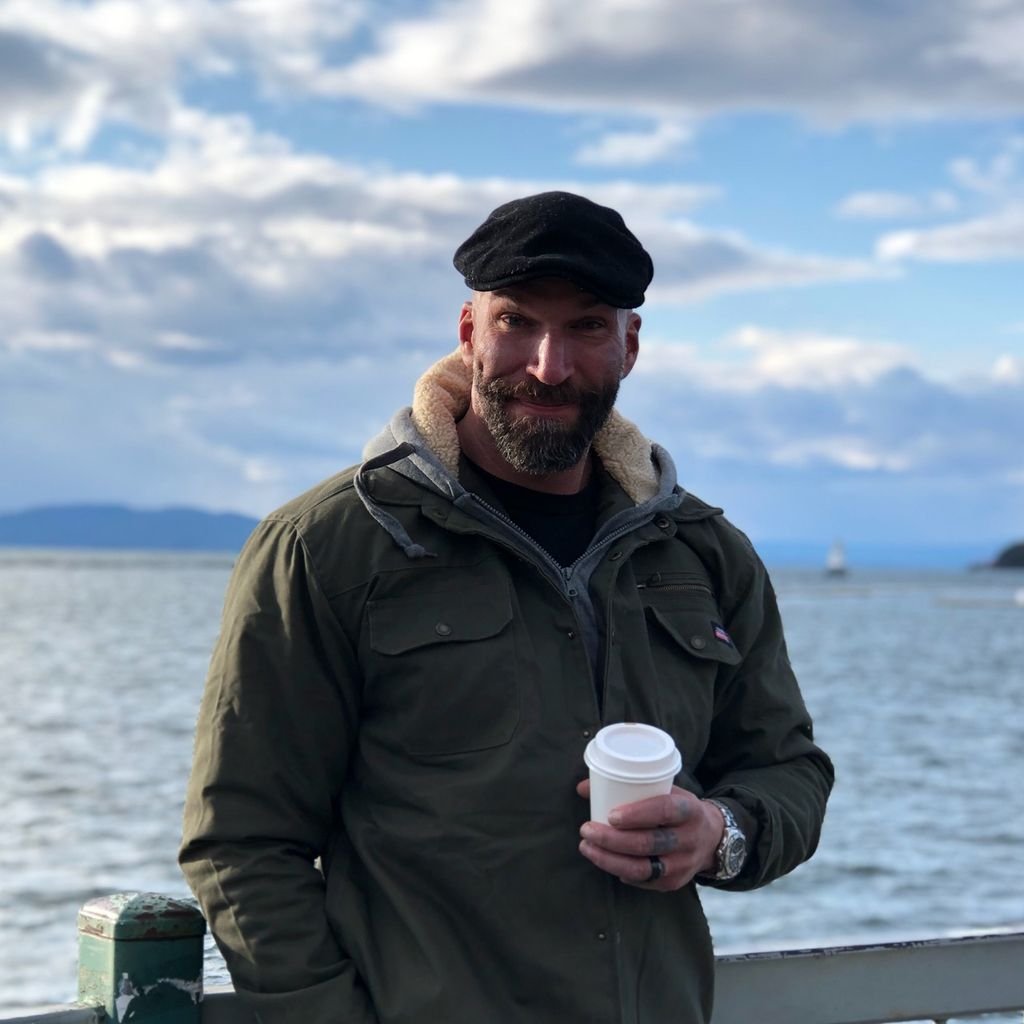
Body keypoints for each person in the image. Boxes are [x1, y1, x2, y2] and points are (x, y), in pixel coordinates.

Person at [180, 190, 834, 1024]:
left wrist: (721, 831)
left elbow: (788, 769)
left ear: (631, 346)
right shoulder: (325, 546)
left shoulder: (703, 552)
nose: (548, 365)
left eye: (588, 327)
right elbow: (242, 843)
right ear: (468, 332)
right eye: (517, 321)